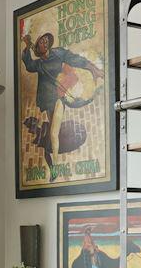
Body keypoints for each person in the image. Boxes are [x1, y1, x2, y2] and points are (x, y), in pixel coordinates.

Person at [19, 29, 102, 176]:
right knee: (51, 133)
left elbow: (73, 58)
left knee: (53, 133)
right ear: (37, 47)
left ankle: (55, 167)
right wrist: (26, 46)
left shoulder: (58, 54)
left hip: (58, 98)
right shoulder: (38, 64)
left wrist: (91, 68)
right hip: (47, 101)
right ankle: (53, 161)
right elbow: (29, 65)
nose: (45, 43)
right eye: (41, 42)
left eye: (46, 41)